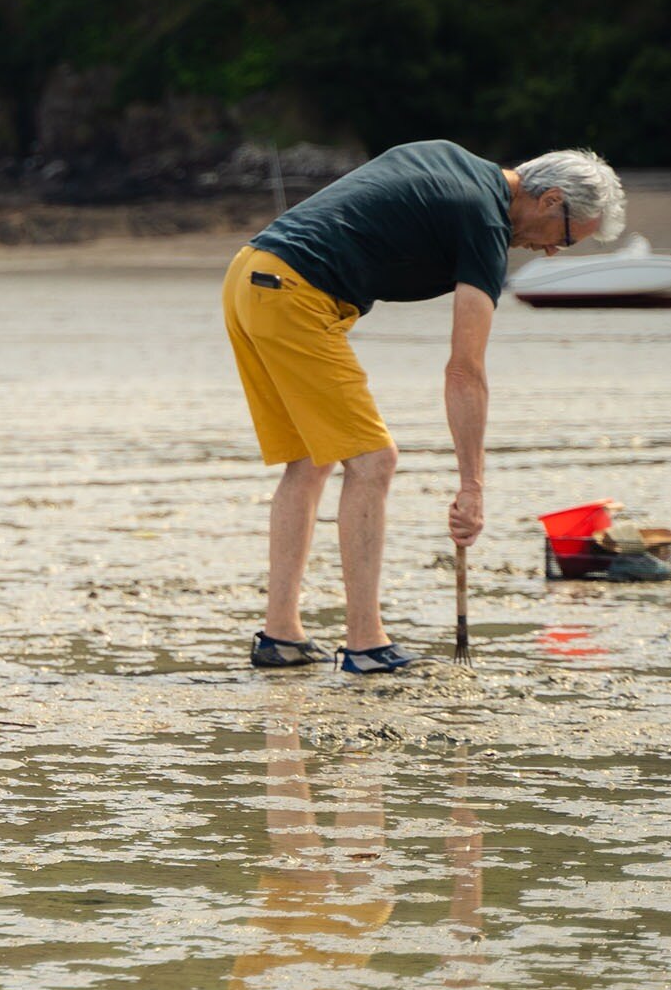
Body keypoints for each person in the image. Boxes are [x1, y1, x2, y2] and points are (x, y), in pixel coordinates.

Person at [223, 142, 623, 675]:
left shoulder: (451, 160)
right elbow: (465, 370)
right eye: (567, 239)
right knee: (373, 460)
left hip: (249, 276)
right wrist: (472, 488)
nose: (554, 251)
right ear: (551, 200)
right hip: (295, 293)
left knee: (312, 459)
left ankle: (282, 637)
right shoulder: (484, 223)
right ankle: (365, 643)